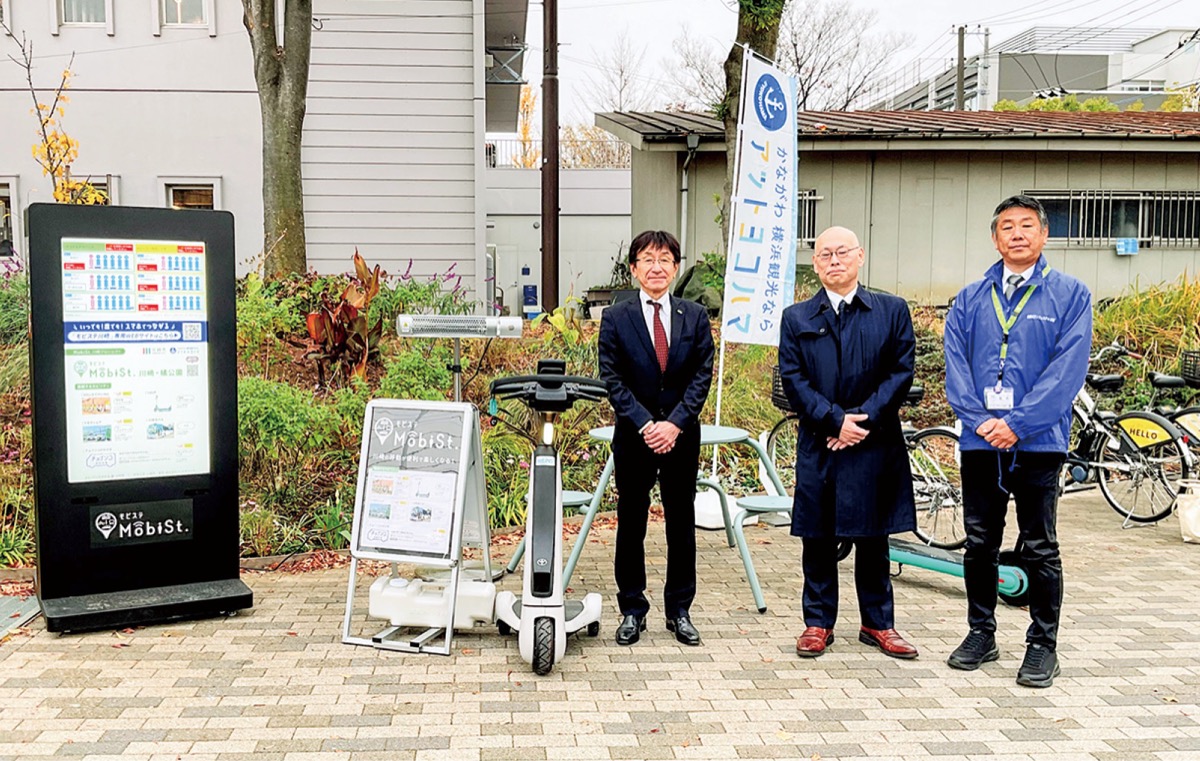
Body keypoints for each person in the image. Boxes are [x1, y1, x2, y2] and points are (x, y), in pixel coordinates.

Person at [944, 195, 1092, 688]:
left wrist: (1019, 423)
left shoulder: (1071, 295)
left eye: (1027, 225)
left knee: (1039, 544)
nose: (1017, 234)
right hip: (981, 442)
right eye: (1007, 226)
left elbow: (1066, 372)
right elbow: (957, 367)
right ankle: (980, 633)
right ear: (994, 238)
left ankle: (1042, 645)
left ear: (1044, 235)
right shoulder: (969, 298)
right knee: (980, 542)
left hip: (1039, 442)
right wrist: (981, 419)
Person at [778, 226, 919, 660]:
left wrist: (863, 422)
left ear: (860, 256)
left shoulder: (891, 310)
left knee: (874, 538)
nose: (833, 261)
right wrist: (835, 421)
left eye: (842, 252)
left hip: (874, 443)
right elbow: (793, 380)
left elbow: (901, 372)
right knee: (817, 538)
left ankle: (879, 623)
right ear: (815, 263)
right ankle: (817, 622)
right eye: (824, 254)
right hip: (821, 441)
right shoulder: (797, 317)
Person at [598, 230, 715, 646]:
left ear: (676, 267)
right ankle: (632, 608)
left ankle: (679, 609)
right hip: (635, 435)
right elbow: (611, 377)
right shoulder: (616, 316)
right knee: (632, 521)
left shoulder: (695, 316)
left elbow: (703, 375)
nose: (656, 267)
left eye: (665, 259)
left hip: (681, 435)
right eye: (647, 259)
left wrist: (676, 423)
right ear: (633, 269)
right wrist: (647, 424)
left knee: (681, 522)